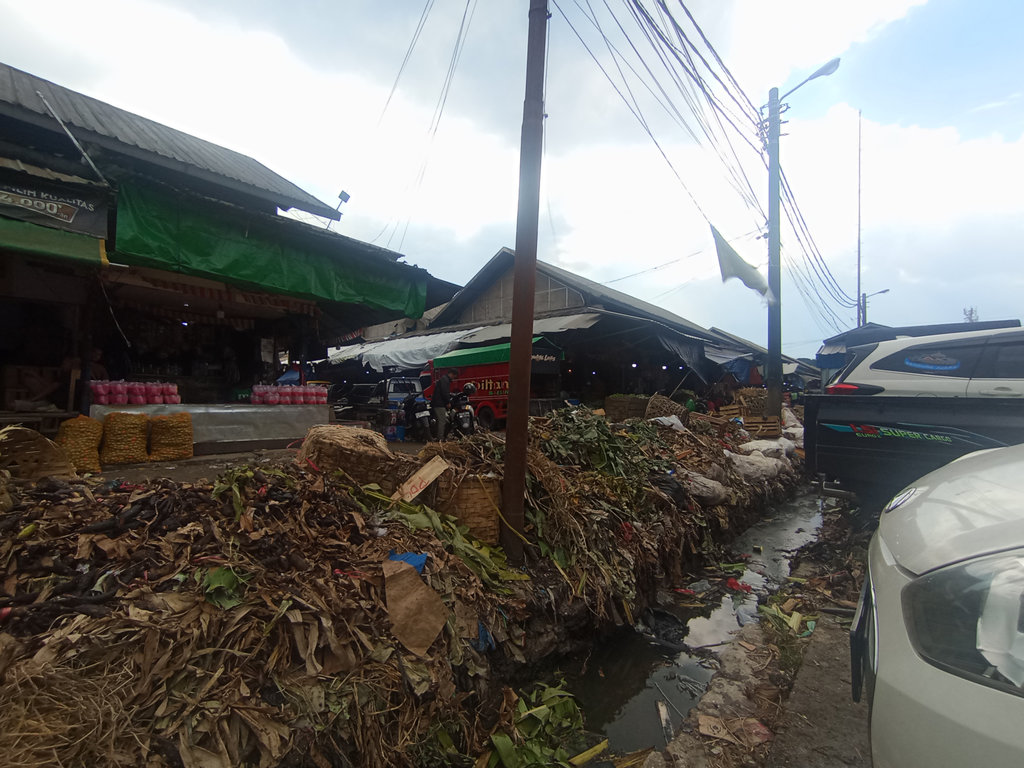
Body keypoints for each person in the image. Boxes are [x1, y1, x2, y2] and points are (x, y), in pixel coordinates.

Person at [431, 368, 455, 440]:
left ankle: (439, 436)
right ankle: (440, 438)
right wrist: (447, 402)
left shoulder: (443, 379)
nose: (454, 378)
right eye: (454, 376)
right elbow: (445, 392)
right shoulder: (445, 380)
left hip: (437, 403)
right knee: (442, 421)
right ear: (451, 374)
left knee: (440, 420)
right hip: (439, 404)